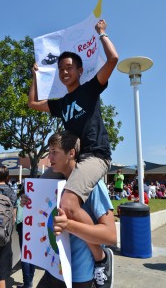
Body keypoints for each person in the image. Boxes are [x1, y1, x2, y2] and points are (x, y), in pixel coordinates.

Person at [28, 20, 118, 283]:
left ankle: (100, 258)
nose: (65, 71)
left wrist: (101, 33)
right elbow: (33, 103)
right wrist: (36, 74)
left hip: (95, 156)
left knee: (67, 203)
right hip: (75, 160)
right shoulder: (63, 103)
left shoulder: (90, 89)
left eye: (69, 68)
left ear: (79, 70)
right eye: (61, 69)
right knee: (37, 192)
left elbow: (113, 59)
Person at [22, 131, 116, 288]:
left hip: (80, 277)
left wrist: (68, 225)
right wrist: (29, 201)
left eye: (54, 153)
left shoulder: (93, 184)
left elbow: (111, 236)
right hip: (55, 269)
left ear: (71, 153)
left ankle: (103, 258)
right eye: (49, 152)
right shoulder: (54, 182)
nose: (49, 158)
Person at [16, 186, 36, 288]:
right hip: (34, 227)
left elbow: (19, 217)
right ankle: (30, 280)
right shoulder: (36, 197)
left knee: (25, 254)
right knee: (31, 254)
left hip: (23, 226)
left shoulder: (21, 198)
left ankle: (27, 283)